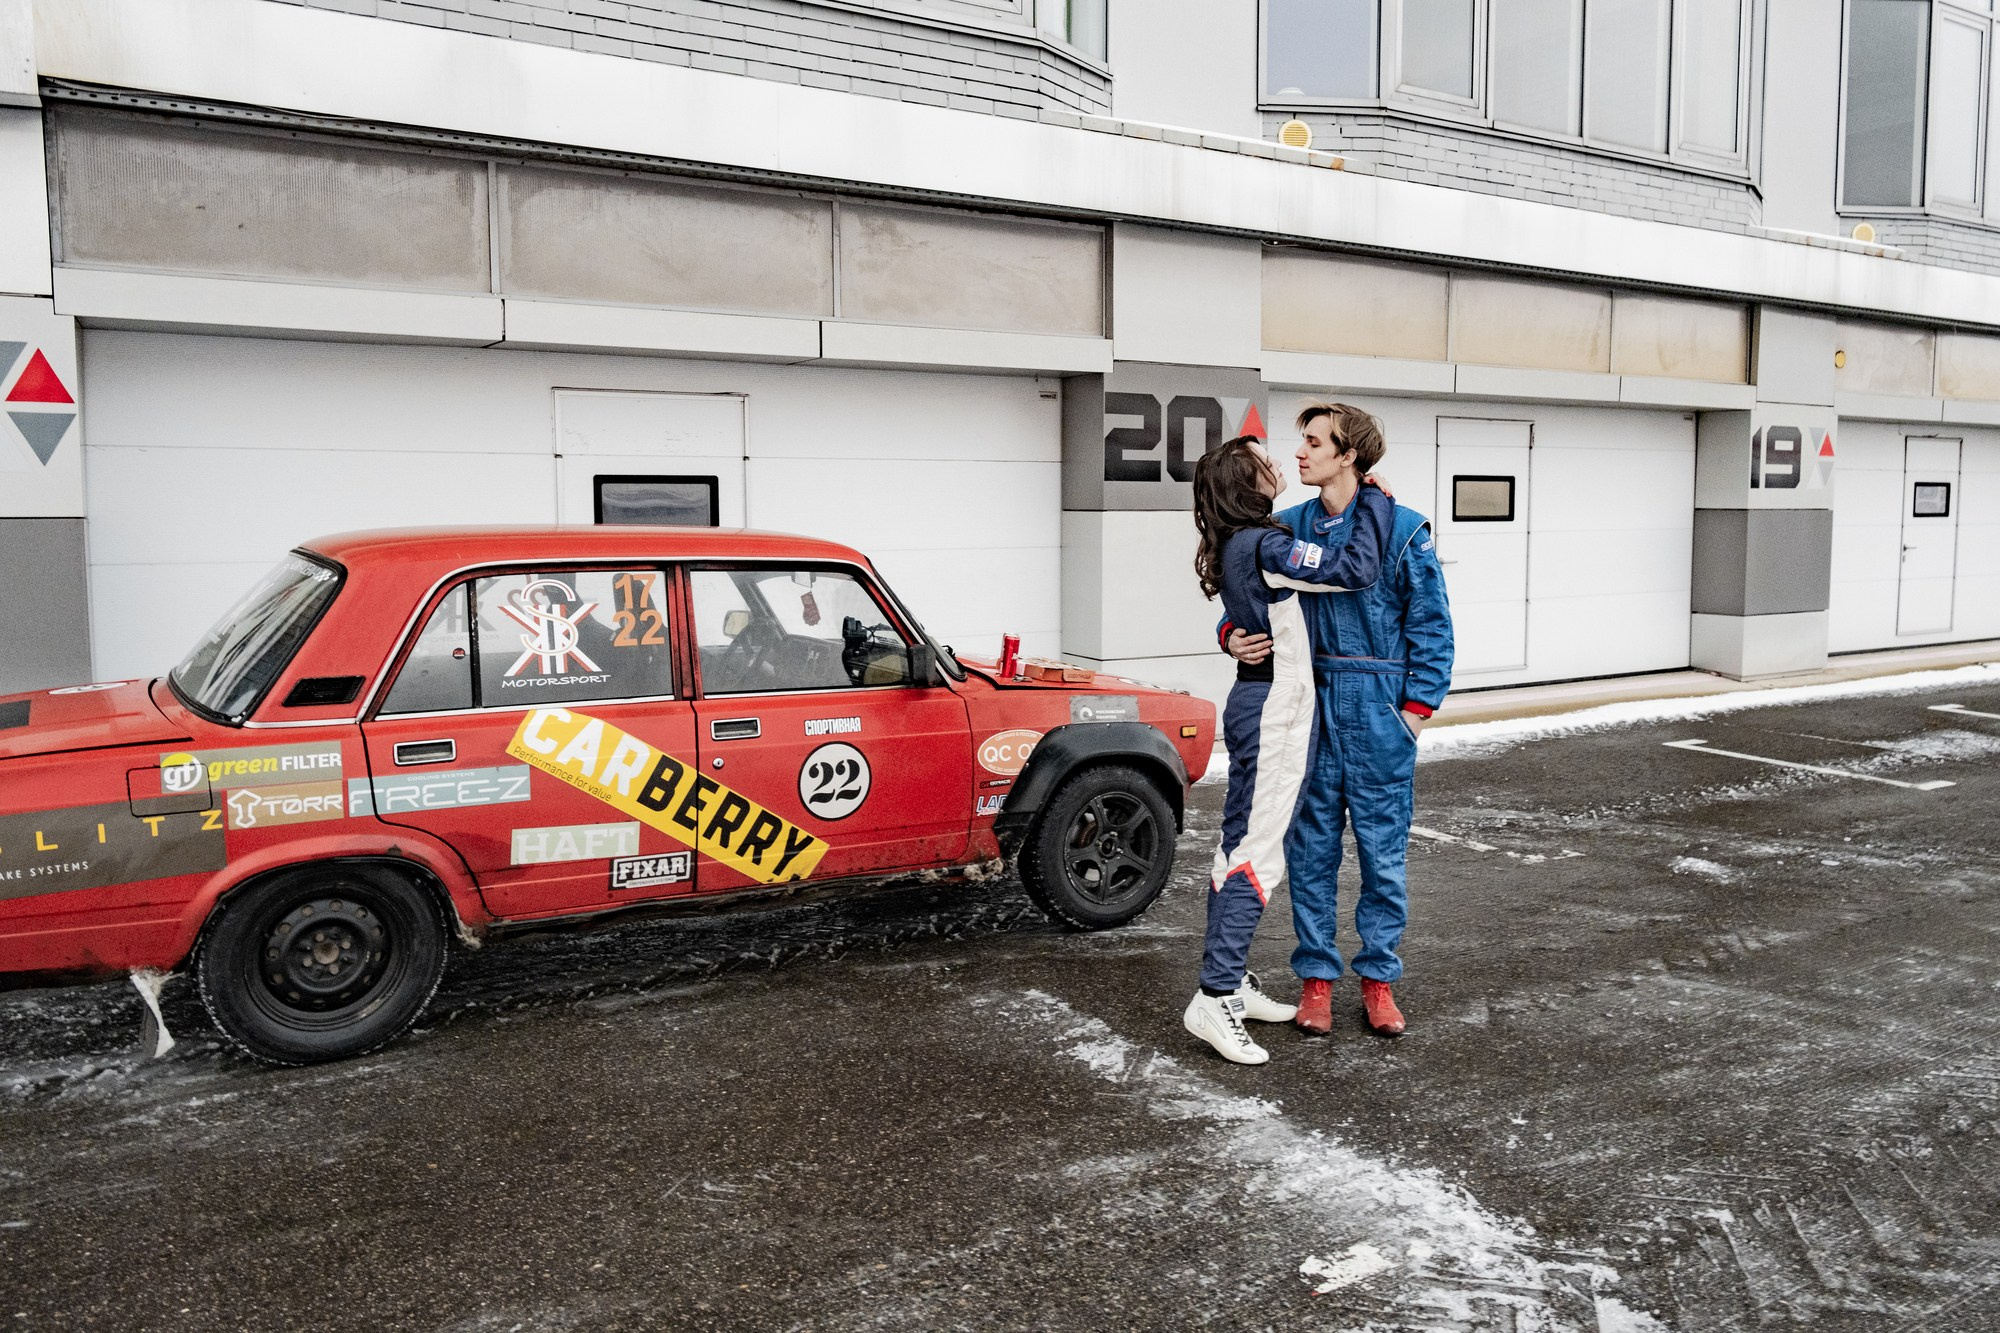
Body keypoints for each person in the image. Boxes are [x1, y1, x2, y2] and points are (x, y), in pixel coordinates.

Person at [1224, 404, 1453, 1038]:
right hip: (1305, 703)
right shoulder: (1285, 526)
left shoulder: (1404, 528)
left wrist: (1412, 713)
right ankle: (1317, 980)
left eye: (1315, 442)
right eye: (1301, 441)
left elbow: (1432, 628)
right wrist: (1232, 638)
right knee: (1311, 848)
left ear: (1348, 455)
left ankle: (1378, 981)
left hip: (1378, 706)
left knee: (1383, 853)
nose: (1299, 453)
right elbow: (1244, 596)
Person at [1183, 436, 1395, 1065]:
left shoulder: (1242, 540)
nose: (1279, 464)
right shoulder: (1267, 542)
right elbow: (1355, 568)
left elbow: (1250, 611)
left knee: (1238, 847)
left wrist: (1230, 635)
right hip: (1273, 712)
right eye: (1263, 463)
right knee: (1256, 856)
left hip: (1262, 703)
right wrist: (1377, 501)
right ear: (1246, 483)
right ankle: (1215, 995)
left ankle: (1230, 982)